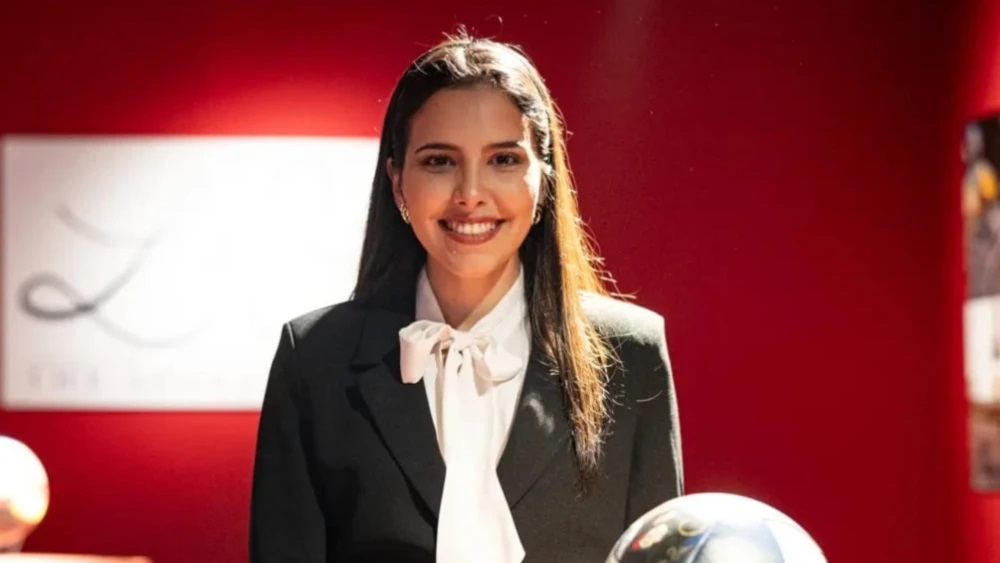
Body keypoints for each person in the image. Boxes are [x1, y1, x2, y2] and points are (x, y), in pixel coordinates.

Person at [249, 32, 683, 563]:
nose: (471, 194)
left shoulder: (631, 355)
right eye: (439, 161)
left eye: (503, 159)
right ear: (397, 181)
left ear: (544, 179)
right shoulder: (315, 359)